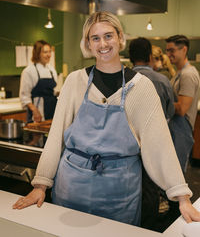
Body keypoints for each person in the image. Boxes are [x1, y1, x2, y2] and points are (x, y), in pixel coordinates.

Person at [13, 12, 200, 227]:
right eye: (95, 38)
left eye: (109, 36)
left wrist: (182, 197)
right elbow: (56, 137)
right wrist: (41, 185)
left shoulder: (142, 87)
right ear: (88, 44)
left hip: (120, 194)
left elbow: (160, 145)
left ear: (120, 38)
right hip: (71, 188)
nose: (103, 43)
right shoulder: (75, 82)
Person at [129, 37, 175, 230]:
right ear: (149, 57)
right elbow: (170, 112)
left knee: (130, 185)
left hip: (127, 145)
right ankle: (148, 228)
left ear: (130, 57)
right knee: (151, 185)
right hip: (154, 144)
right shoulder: (162, 80)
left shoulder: (121, 79)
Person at [166, 35, 200, 172]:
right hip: (175, 129)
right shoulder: (179, 73)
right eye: (167, 50)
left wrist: (159, 104)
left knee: (176, 176)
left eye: (172, 50)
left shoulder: (188, 75)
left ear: (184, 49)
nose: (168, 54)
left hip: (182, 130)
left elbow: (181, 109)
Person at [19, 40, 58, 122]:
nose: (49, 55)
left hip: (52, 111)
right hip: (38, 113)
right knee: (38, 134)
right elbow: (24, 97)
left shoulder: (51, 69)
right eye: (45, 52)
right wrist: (35, 111)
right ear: (37, 54)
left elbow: (52, 91)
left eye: (49, 52)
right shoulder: (29, 71)